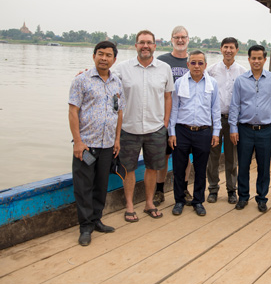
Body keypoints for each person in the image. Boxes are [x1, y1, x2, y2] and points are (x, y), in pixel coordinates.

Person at [68, 41, 124, 246]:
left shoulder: (117, 82)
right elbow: (73, 111)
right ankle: (85, 227)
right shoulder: (81, 81)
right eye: (100, 54)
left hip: (108, 144)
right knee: (83, 187)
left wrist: (117, 139)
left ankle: (97, 220)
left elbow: (119, 112)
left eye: (108, 55)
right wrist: (78, 142)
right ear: (94, 56)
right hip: (87, 146)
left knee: (101, 185)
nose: (104, 58)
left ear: (114, 60)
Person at [113, 30, 173, 222]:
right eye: (141, 42)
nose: (145, 46)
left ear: (155, 46)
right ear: (136, 46)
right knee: (128, 169)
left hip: (155, 128)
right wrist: (85, 73)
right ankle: (129, 205)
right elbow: (104, 77)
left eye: (149, 42)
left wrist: (164, 123)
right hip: (128, 128)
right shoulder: (122, 69)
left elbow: (167, 96)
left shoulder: (164, 69)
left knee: (152, 168)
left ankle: (149, 203)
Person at [168, 51, 221, 216]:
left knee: (200, 168)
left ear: (205, 65)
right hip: (182, 130)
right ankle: (179, 201)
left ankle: (198, 201)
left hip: (203, 131)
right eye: (193, 63)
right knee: (179, 167)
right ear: (188, 65)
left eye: (200, 63)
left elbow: (215, 109)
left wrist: (216, 132)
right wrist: (172, 132)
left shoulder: (212, 83)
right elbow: (174, 108)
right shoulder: (179, 83)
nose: (196, 66)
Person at [229, 45, 271, 213]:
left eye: (260, 58)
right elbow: (235, 105)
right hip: (245, 129)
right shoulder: (241, 80)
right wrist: (233, 128)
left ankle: (262, 198)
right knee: (243, 165)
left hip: (265, 129)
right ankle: (243, 197)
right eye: (253, 58)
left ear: (265, 60)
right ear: (248, 59)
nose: (256, 61)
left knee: (264, 166)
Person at [206, 37, 247, 204]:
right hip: (214, 119)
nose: (228, 50)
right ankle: (213, 189)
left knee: (232, 157)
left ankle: (231, 190)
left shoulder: (243, 72)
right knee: (213, 156)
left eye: (231, 47)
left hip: (234, 121)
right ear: (221, 49)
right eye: (225, 47)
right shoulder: (211, 70)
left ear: (237, 50)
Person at [156, 25, 193, 206]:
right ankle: (159, 190)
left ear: (188, 39)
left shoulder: (193, 61)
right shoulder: (162, 61)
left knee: (185, 157)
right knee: (164, 156)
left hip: (185, 118)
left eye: (183, 37)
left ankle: (184, 188)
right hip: (164, 117)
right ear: (171, 39)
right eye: (176, 37)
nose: (180, 40)